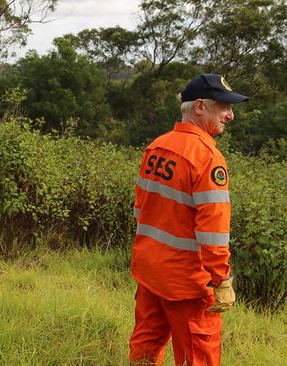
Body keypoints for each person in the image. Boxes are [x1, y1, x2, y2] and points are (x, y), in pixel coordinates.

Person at [129, 74, 248, 366]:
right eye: (223, 107)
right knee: (199, 357)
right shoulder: (207, 157)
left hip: (150, 271)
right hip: (188, 283)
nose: (230, 115)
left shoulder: (156, 147)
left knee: (145, 348)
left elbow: (140, 211)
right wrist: (221, 280)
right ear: (199, 107)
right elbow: (214, 233)